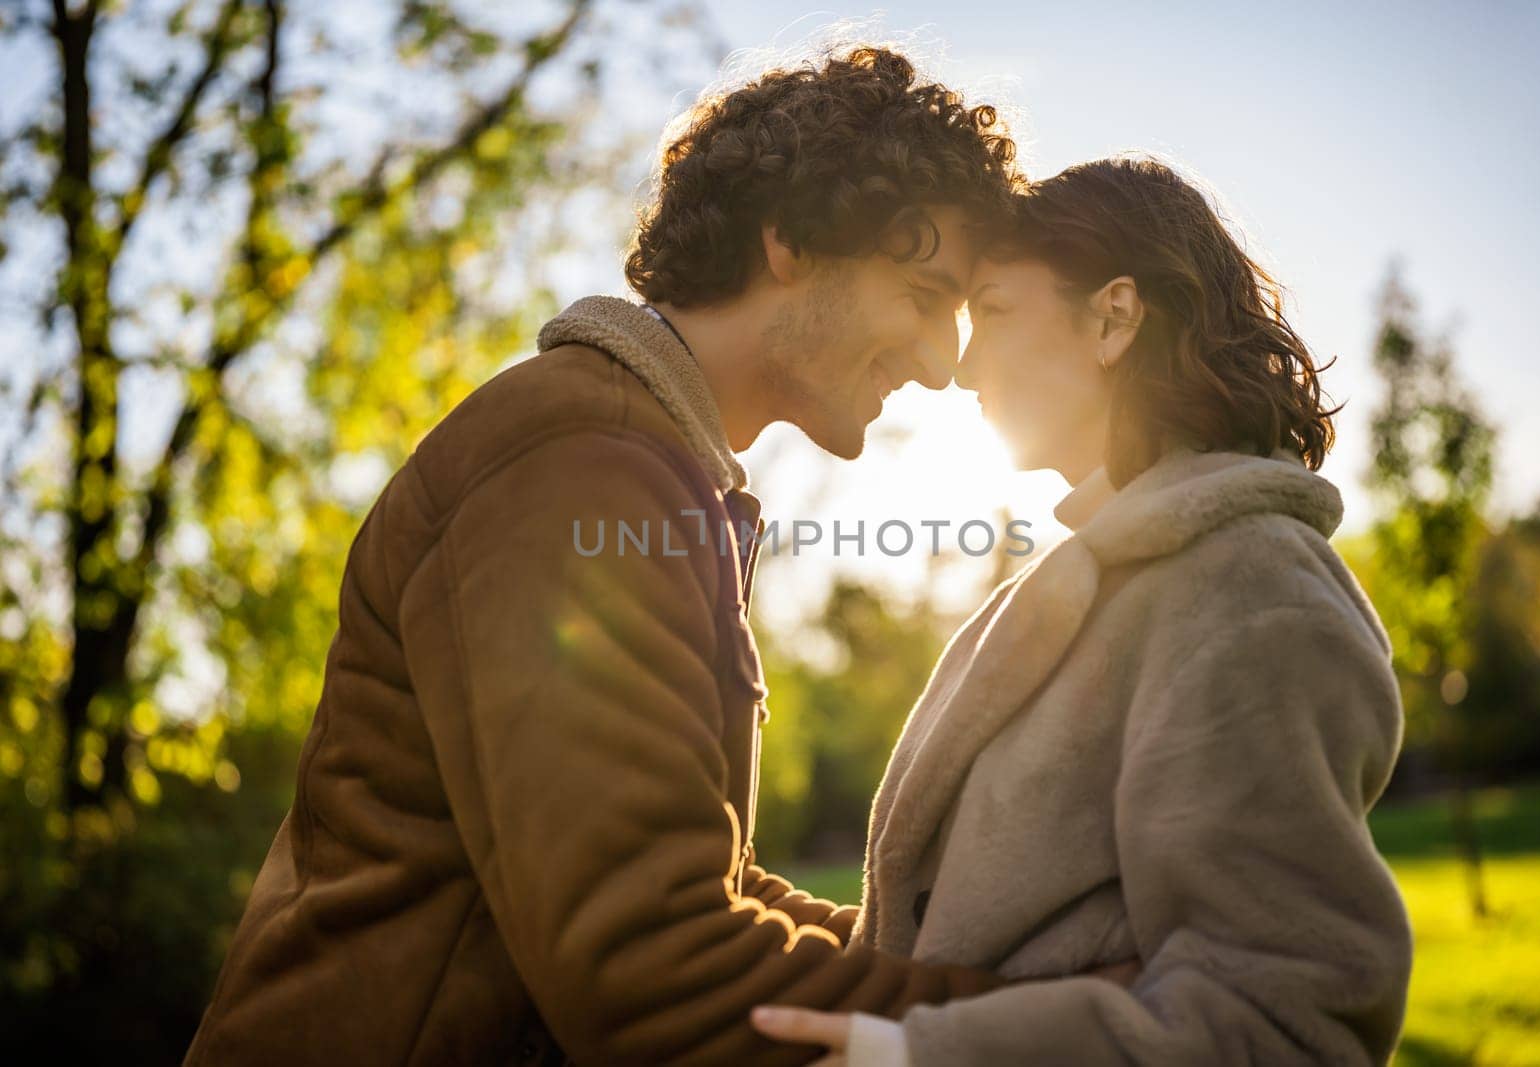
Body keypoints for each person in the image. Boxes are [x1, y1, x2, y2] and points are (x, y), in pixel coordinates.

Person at [183, 46, 1022, 1066]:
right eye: (925, 294)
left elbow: (693, 878)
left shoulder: (647, 469)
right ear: (793, 238)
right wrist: (1047, 1020)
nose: (941, 363)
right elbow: (652, 967)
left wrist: (989, 962)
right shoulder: (579, 465)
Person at [752, 156, 1414, 1064]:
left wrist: (921, 1056)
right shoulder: (1090, 578)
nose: (959, 364)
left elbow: (1283, 1018)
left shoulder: (1250, 590)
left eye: (989, 310)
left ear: (1113, 318)